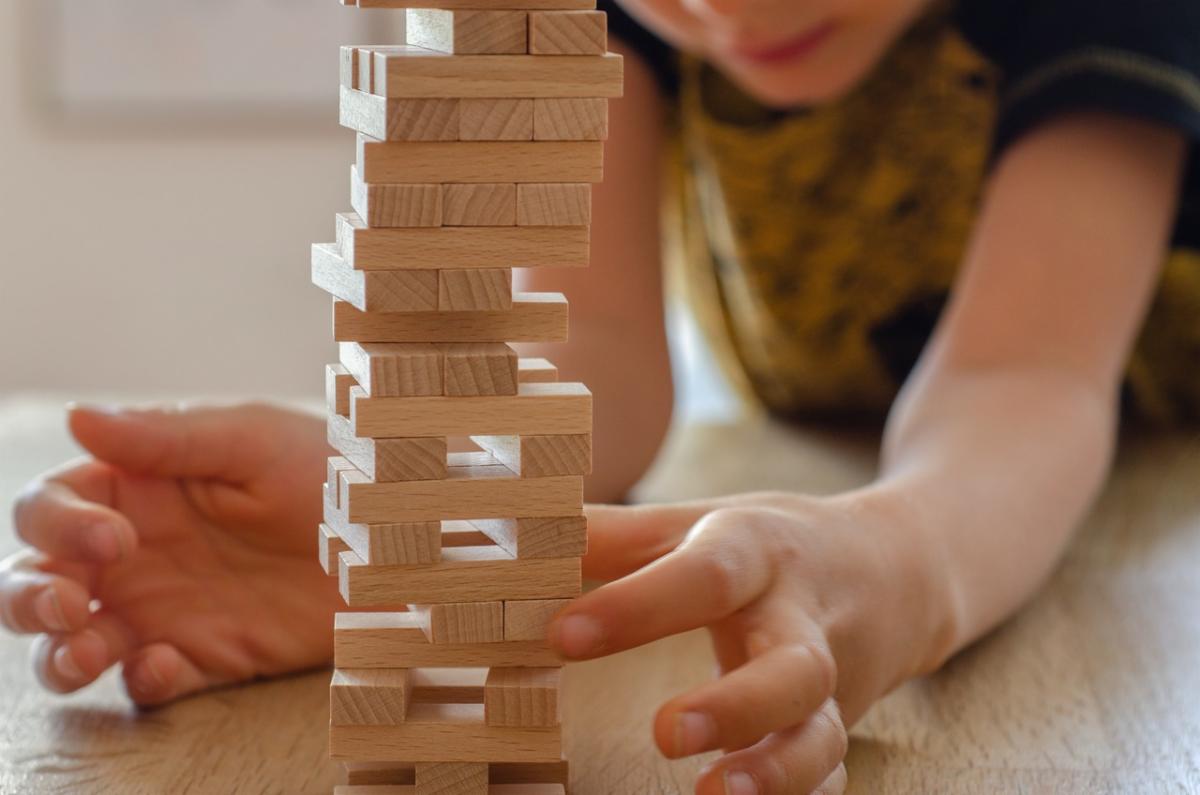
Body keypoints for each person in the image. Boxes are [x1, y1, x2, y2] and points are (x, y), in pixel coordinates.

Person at [4, 0, 1200, 792]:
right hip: (828, 418)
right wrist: (435, 501)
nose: (728, 9)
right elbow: (595, 340)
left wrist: (909, 559)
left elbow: (1025, 374)